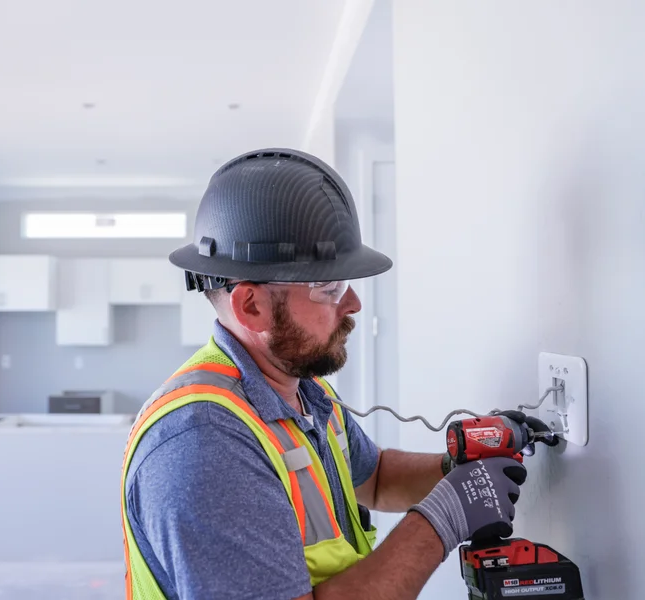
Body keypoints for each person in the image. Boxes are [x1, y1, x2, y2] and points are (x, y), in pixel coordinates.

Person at [120, 148, 532, 599]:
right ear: (251, 306)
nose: (353, 302)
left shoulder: (302, 389)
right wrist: (443, 518)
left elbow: (374, 480)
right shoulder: (204, 445)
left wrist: (460, 469)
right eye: (329, 286)